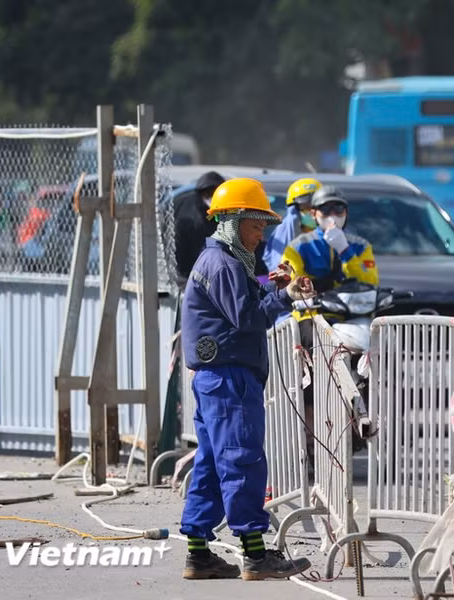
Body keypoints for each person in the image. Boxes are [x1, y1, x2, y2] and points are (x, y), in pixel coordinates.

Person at [179, 177, 316, 581]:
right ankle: (256, 556)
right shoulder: (222, 263)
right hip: (230, 380)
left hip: (216, 379)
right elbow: (248, 319)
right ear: (233, 221)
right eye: (255, 226)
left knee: (209, 465)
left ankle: (199, 555)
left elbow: (238, 299)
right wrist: (285, 297)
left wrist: (267, 284)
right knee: (243, 461)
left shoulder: (221, 262)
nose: (260, 236)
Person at [281, 185, 379, 452]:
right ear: (313, 213)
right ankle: (309, 425)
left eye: (338, 209)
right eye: (325, 209)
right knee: (308, 362)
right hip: (312, 317)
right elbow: (293, 281)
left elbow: (369, 281)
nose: (332, 214)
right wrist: (305, 291)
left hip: (350, 316)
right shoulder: (297, 247)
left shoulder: (360, 245)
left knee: (377, 352)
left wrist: (345, 251)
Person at [172, 171, 226, 285]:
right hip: (191, 277)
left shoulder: (229, 213)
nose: (211, 197)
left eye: (216, 193)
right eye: (209, 194)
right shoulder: (190, 217)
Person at [261, 177, 321, 272]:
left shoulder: (335, 233)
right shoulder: (282, 237)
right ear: (293, 209)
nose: (312, 211)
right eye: (306, 206)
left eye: (316, 206)